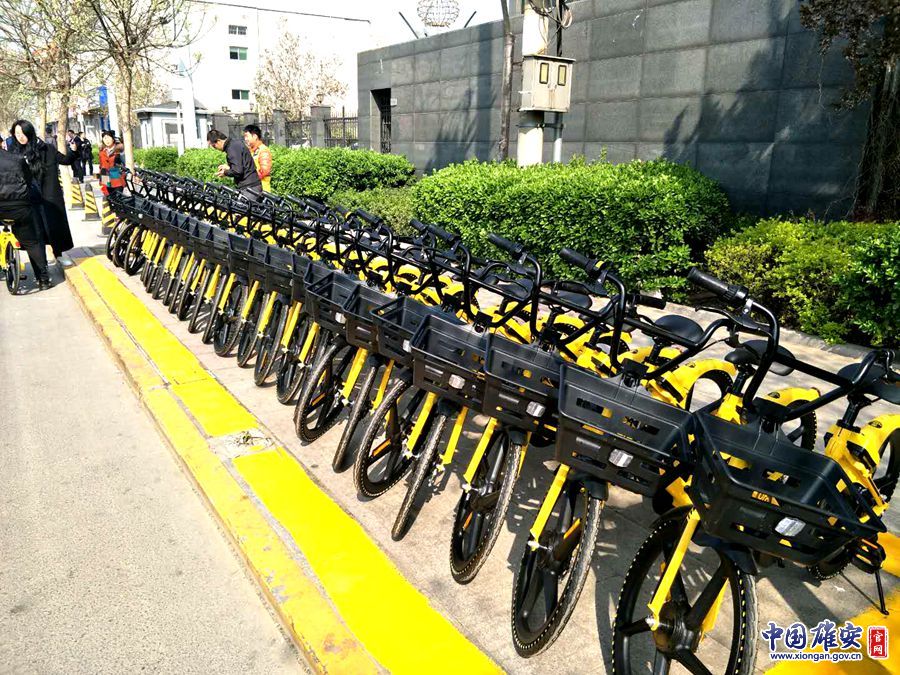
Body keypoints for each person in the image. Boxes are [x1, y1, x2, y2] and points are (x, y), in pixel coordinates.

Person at [8, 121, 76, 288]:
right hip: (27, 200)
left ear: (29, 132)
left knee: (52, 227)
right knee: (35, 235)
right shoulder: (14, 153)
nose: (20, 137)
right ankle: (42, 272)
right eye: (17, 134)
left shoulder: (46, 149)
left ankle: (58, 254)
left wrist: (74, 151)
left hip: (48, 196)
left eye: (23, 133)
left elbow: (65, 160)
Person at [206, 129, 260, 197]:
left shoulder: (232, 148)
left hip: (249, 188)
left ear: (219, 141)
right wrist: (229, 167)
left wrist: (225, 172)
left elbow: (237, 171)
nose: (215, 149)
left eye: (214, 146)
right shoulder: (234, 144)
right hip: (252, 185)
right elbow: (241, 165)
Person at [243, 124, 272, 192]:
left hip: (262, 191)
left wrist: (247, 177)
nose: (245, 139)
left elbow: (264, 171)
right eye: (244, 137)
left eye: (247, 136)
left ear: (255, 136)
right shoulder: (250, 151)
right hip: (251, 190)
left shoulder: (263, 150)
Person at [98, 129, 125, 194]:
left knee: (118, 197)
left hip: (116, 177)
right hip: (105, 176)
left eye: (108, 138)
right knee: (108, 197)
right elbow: (101, 165)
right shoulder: (102, 152)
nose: (107, 140)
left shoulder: (119, 150)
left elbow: (125, 163)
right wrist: (101, 177)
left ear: (113, 139)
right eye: (105, 138)